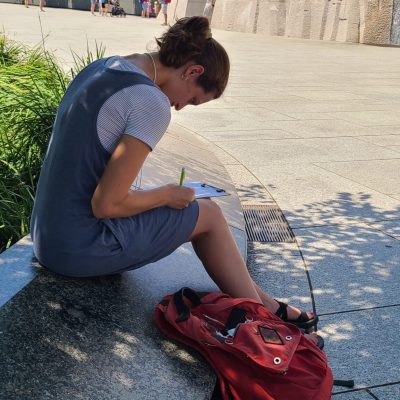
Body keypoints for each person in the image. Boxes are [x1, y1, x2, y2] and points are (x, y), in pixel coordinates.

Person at [30, 17, 321, 347]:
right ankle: (268, 320)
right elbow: (105, 204)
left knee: (195, 207)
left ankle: (266, 303)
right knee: (208, 215)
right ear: (193, 71)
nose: (180, 106)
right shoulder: (151, 102)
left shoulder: (106, 67)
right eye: (193, 100)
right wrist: (167, 194)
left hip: (47, 235)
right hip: (76, 248)